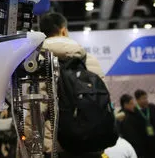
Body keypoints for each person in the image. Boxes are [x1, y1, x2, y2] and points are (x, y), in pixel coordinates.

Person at [37, 12, 106, 157]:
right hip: (92, 144)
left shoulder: (37, 63)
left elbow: (35, 111)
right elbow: (103, 100)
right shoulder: (89, 60)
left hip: (57, 146)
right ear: (63, 30)